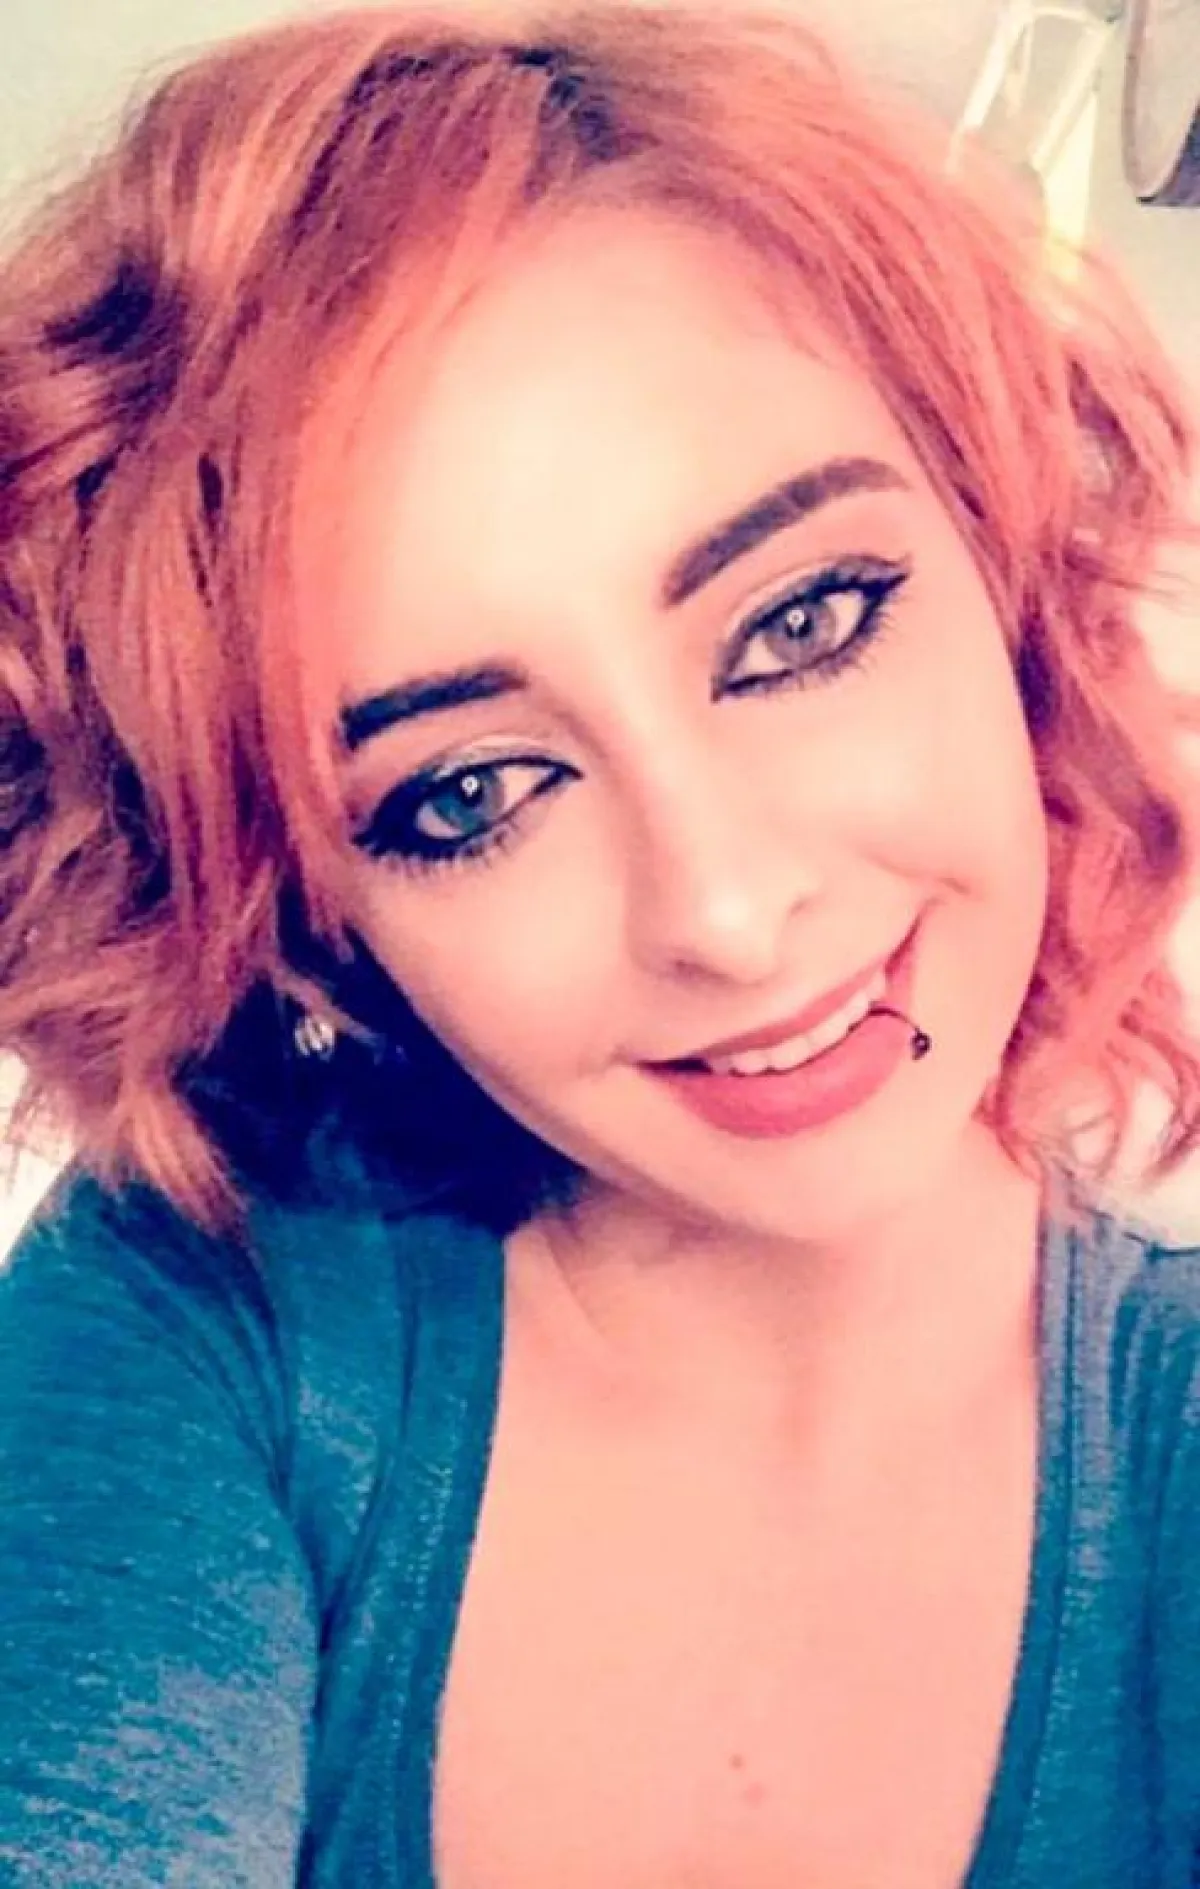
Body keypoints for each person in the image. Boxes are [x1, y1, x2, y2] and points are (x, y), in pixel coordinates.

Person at [1, 2, 1199, 1882]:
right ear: (321, 911)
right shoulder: (211, 1307)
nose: (723, 910)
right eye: (469, 792)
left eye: (802, 623)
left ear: (1002, 561)